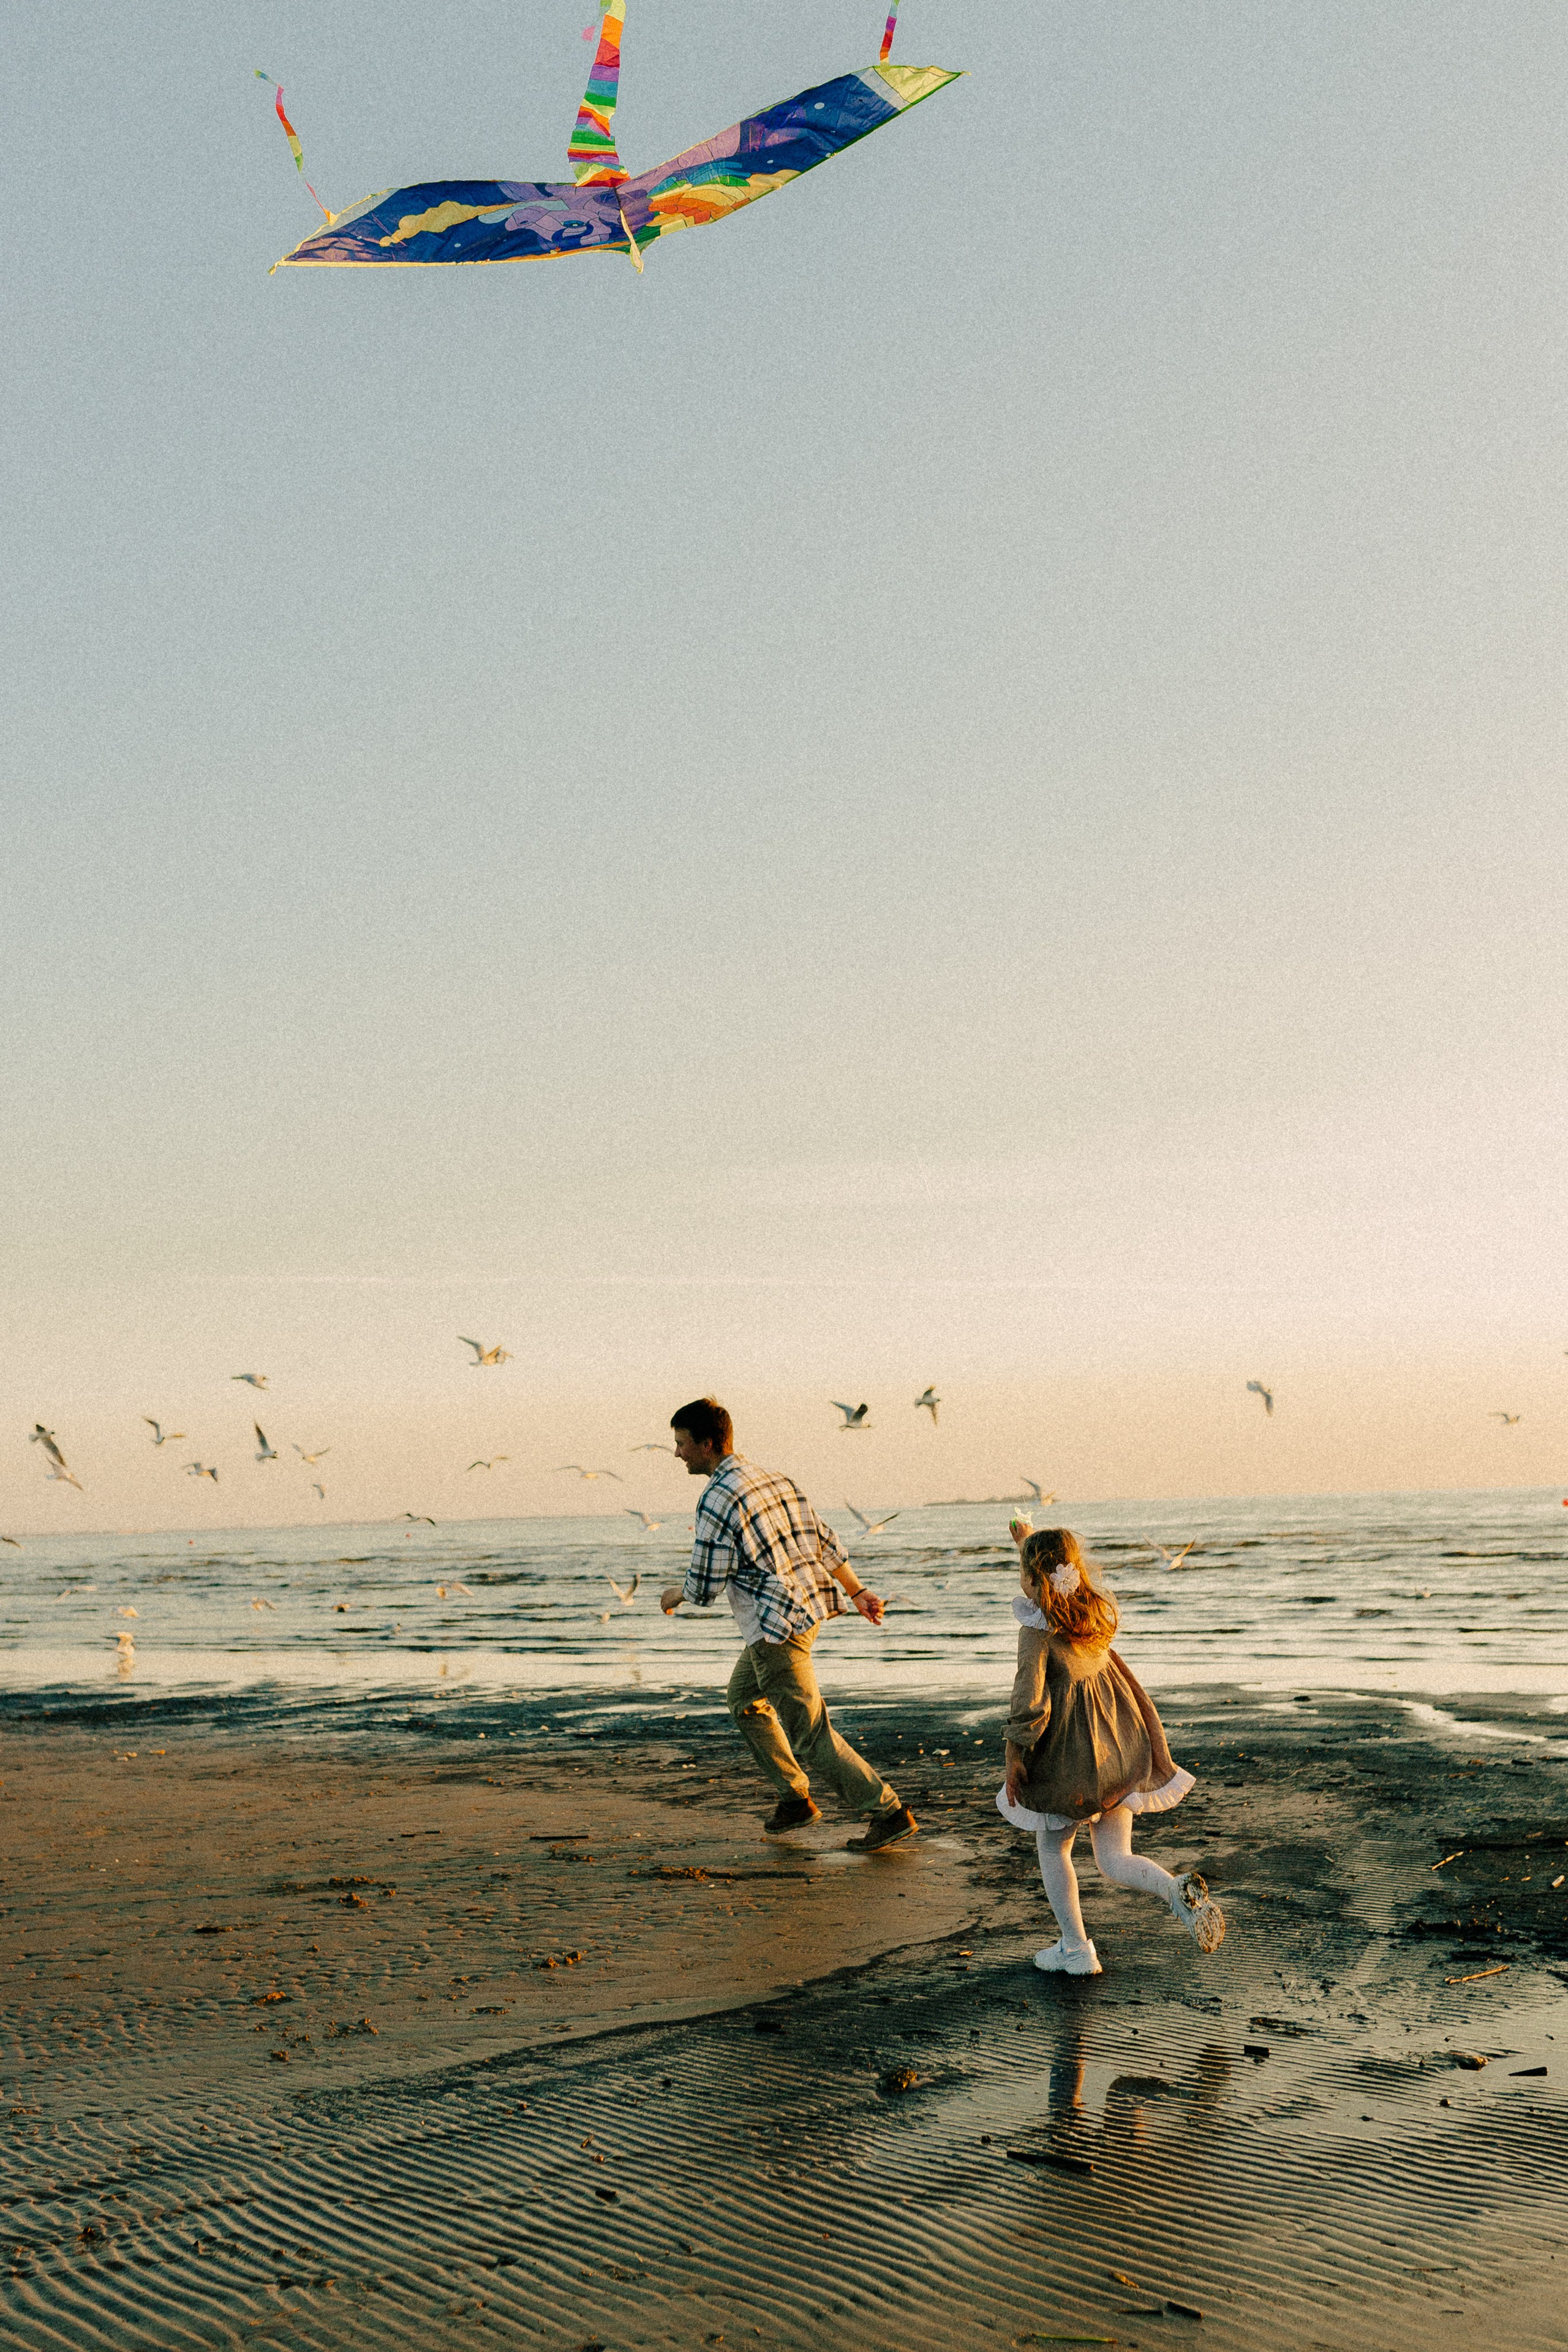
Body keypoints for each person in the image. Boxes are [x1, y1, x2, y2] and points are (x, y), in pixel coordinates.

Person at [659, 1396, 918, 1852]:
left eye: (681, 1444)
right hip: (801, 1613)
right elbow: (825, 1539)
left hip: (774, 1627)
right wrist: (856, 1591)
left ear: (707, 1443)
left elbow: (704, 1586)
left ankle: (889, 1812)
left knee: (810, 1731)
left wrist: (673, 1595)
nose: (677, 1454)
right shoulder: (774, 1478)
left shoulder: (717, 1498)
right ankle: (795, 1799)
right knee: (743, 1699)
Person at [997, 1521, 1224, 1975]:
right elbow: (1049, 1568)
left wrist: (1015, 1754)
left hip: (1068, 1764)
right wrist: (1028, 1542)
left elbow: (1030, 1702)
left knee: (1053, 1848)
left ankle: (1077, 1948)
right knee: (1115, 1858)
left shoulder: (1036, 1630)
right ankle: (1173, 1891)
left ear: (1031, 1579)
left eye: (1022, 1571)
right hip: (1117, 1753)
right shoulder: (1091, 1613)